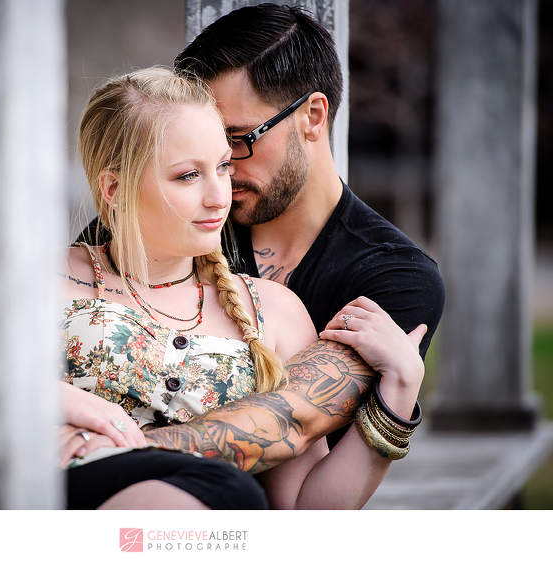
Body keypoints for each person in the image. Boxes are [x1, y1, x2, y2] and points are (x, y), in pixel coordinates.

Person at [80, 3, 446, 450]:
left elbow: (292, 420)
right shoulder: (165, 221)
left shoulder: (394, 277)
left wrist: (110, 448)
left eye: (237, 140)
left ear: (312, 117)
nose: (221, 173)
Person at [61, 66, 426, 510]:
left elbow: (303, 513)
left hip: (210, 519)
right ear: (114, 188)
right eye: (187, 176)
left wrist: (399, 393)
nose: (220, 196)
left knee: (233, 498)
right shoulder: (46, 281)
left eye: (222, 167)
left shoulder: (273, 311)